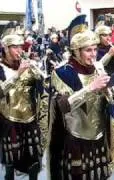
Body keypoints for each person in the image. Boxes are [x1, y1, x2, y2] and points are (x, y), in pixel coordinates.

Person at [48, 15, 114, 179]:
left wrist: (109, 93)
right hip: (76, 135)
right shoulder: (63, 72)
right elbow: (63, 106)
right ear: (76, 51)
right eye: (88, 50)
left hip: (99, 132)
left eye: (95, 49)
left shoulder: (97, 67)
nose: (93, 55)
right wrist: (92, 87)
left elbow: (106, 102)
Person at [0, 31, 45, 180]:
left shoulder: (27, 65)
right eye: (15, 47)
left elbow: (39, 89)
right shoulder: (1, 68)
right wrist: (18, 74)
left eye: (21, 47)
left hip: (30, 117)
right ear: (6, 48)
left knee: (33, 156)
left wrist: (38, 76)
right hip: (9, 118)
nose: (20, 51)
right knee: (11, 158)